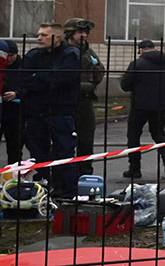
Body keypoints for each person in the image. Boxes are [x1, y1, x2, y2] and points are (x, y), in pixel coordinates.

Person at [3, 23, 81, 197]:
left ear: (58, 37)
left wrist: (37, 77)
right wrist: (42, 78)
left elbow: (61, 78)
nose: (39, 38)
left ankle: (67, 192)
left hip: (61, 111)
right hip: (35, 111)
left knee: (65, 152)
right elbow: (22, 79)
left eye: (44, 35)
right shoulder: (33, 55)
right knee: (38, 152)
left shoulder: (69, 54)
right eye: (39, 34)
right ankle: (43, 187)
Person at [120, 40, 165, 179]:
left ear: (141, 50)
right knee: (159, 133)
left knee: (134, 136)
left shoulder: (137, 64)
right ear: (154, 48)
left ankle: (135, 168)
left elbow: (125, 85)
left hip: (139, 105)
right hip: (159, 105)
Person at [63, 18, 105, 174]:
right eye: (80, 32)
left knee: (86, 140)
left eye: (86, 32)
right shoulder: (63, 51)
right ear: (70, 33)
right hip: (65, 101)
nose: (84, 35)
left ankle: (85, 173)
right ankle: (62, 174)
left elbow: (99, 72)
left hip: (85, 100)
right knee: (63, 140)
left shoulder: (88, 51)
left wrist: (91, 79)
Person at [1, 40, 25, 164]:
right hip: (2, 107)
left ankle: (13, 170)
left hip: (16, 111)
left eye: (11, 55)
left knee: (15, 146)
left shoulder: (23, 66)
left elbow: (29, 85)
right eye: (7, 55)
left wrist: (17, 93)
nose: (9, 59)